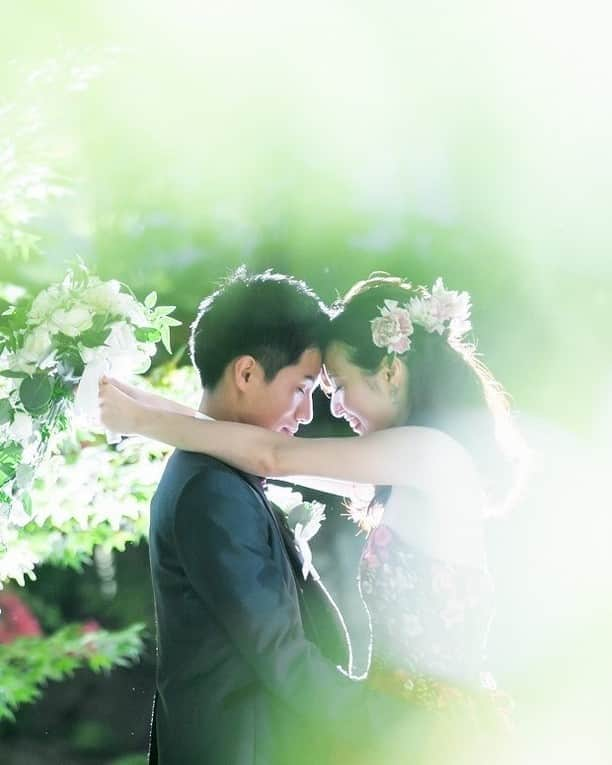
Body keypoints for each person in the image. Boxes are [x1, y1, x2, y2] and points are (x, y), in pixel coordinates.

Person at [100, 274, 525, 762]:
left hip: (422, 728)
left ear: (390, 372)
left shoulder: (430, 454)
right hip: (390, 716)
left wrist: (140, 423)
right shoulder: (408, 464)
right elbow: (266, 454)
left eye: (338, 386)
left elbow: (275, 458)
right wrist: (140, 403)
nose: (334, 407)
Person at [121, 268, 397, 765]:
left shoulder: (214, 474)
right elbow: (280, 654)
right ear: (247, 374)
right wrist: (389, 727)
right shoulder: (212, 490)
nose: (308, 414)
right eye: (301, 388)